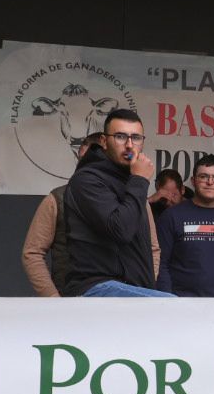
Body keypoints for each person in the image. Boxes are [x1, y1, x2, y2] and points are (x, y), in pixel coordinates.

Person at [62, 110, 167, 297]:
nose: (129, 145)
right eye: (120, 137)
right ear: (103, 141)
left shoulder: (129, 179)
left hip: (132, 289)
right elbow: (120, 230)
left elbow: (150, 246)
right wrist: (140, 181)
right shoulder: (87, 180)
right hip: (97, 287)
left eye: (136, 138)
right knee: (175, 308)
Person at [154, 154, 214, 297]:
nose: (210, 182)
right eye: (203, 176)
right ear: (193, 181)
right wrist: (169, 301)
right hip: (183, 306)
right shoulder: (171, 216)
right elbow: (160, 264)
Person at [20, 132, 105, 297]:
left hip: (122, 305)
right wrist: (53, 299)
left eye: (92, 160)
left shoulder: (131, 198)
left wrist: (138, 291)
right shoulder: (57, 199)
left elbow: (152, 248)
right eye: (81, 160)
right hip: (70, 300)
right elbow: (32, 253)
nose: (85, 165)